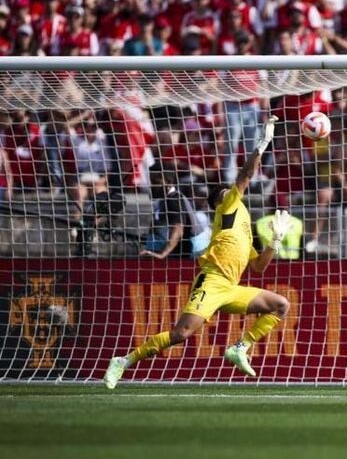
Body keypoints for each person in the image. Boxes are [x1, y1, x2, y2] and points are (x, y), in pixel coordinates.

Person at [104, 120, 292, 388]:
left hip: (230, 287)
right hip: (212, 281)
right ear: (220, 200)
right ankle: (122, 361)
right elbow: (245, 176)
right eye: (227, 192)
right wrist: (261, 146)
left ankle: (240, 348)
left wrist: (274, 241)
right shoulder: (226, 208)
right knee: (181, 333)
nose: (234, 193)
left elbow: (259, 268)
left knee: (281, 305)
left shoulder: (243, 228)